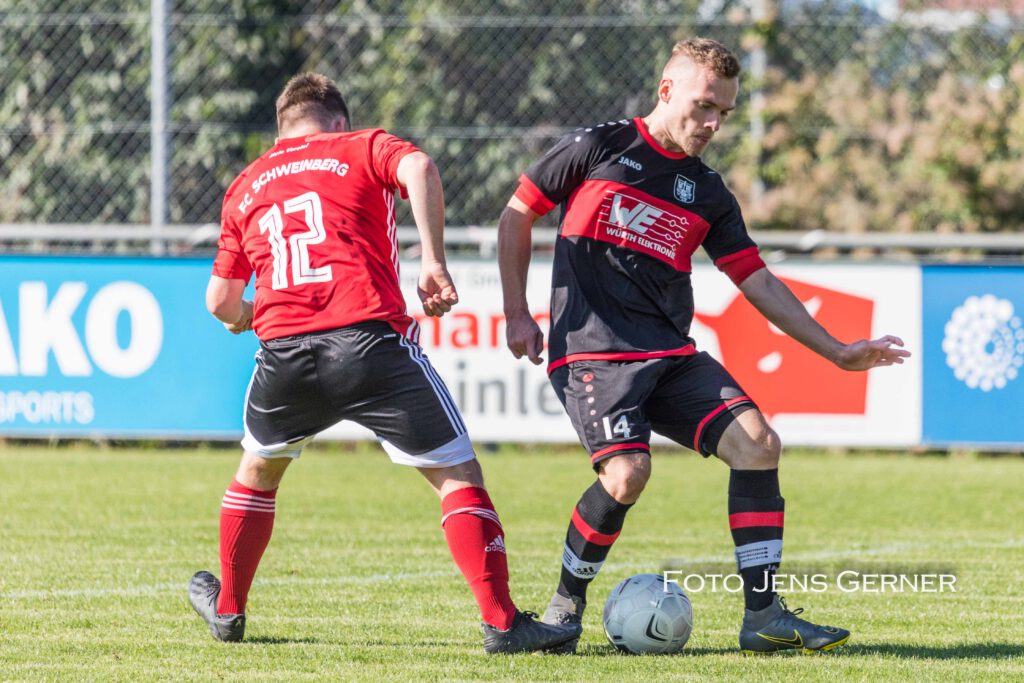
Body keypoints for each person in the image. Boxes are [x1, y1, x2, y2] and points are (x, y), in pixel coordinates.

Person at [497, 38, 910, 654]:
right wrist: (516, 312)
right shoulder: (600, 147)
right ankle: (563, 610)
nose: (714, 123)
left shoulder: (709, 191)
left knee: (759, 444)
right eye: (705, 106)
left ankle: (764, 618)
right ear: (667, 91)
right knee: (627, 474)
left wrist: (836, 351)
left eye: (725, 112)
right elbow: (518, 211)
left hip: (669, 353)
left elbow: (756, 279)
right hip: (592, 351)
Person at [189, 72, 581, 655]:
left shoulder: (246, 184)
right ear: (338, 121)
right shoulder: (359, 145)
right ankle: (502, 623)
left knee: (258, 472)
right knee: (457, 476)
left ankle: (228, 610)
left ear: (281, 129)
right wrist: (432, 261)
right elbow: (419, 166)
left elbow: (219, 301)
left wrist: (250, 314)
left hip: (284, 353)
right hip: (366, 341)